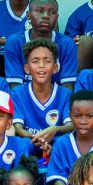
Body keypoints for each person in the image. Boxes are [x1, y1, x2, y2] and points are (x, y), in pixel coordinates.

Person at [11, 38, 72, 167]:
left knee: (65, 142)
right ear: (27, 68)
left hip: (55, 145)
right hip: (30, 142)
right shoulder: (18, 93)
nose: (41, 65)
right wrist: (39, 139)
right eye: (35, 61)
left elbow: (70, 125)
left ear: (55, 68)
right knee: (21, 144)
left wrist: (55, 129)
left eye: (47, 61)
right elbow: (17, 128)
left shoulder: (65, 94)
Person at [4, 0, 78, 88]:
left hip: (57, 99)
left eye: (52, 12)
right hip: (24, 99)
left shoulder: (67, 44)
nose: (46, 16)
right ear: (28, 15)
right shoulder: (14, 42)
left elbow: (68, 87)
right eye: (39, 11)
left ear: (57, 17)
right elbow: (15, 86)